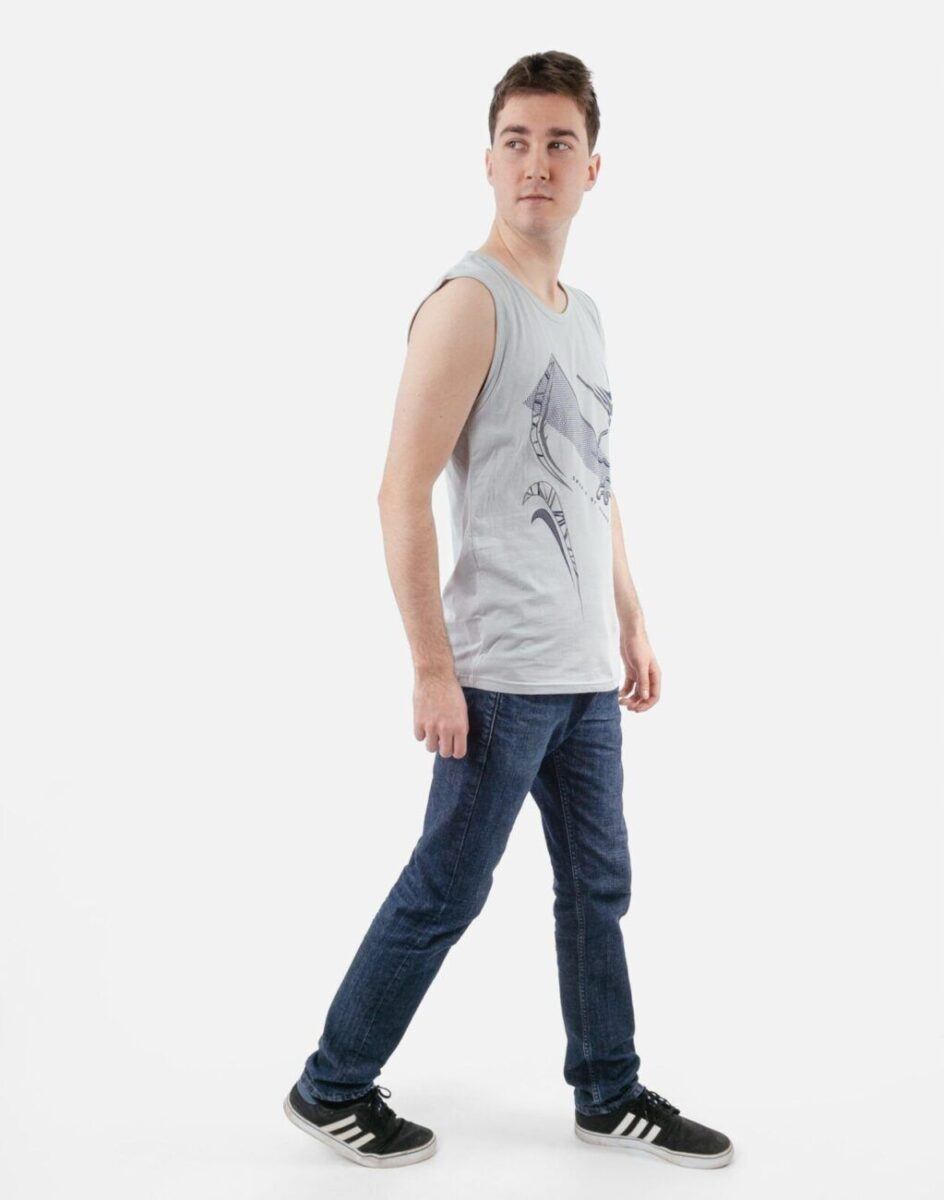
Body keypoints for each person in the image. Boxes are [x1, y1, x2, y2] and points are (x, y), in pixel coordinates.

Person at [283, 50, 733, 1171]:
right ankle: (331, 1085)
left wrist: (630, 618)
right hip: (496, 677)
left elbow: (592, 482)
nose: (537, 162)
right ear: (487, 161)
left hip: (580, 675)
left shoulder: (583, 316)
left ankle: (607, 1091)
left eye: (559, 143)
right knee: (447, 887)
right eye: (517, 142)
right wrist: (432, 668)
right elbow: (398, 491)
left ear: (592, 169)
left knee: (596, 890)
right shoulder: (467, 304)